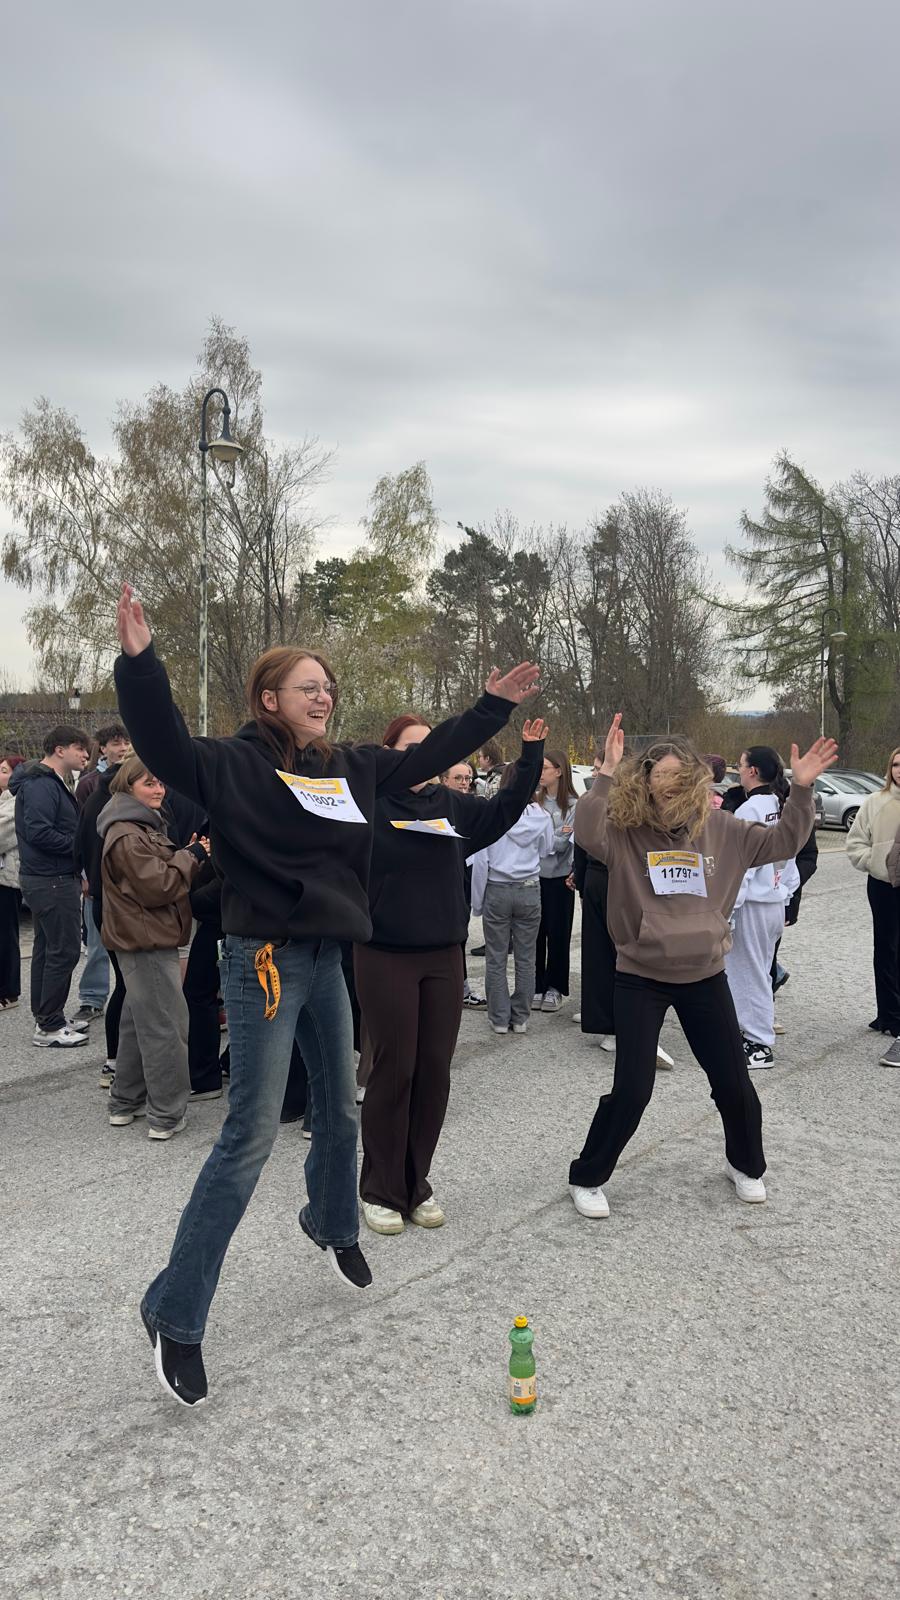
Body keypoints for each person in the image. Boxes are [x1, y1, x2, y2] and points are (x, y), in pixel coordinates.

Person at [115, 582, 538, 1407]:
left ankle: (332, 1223)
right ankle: (174, 1313)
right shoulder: (233, 764)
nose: (325, 695)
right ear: (269, 698)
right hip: (263, 960)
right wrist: (142, 664)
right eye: (309, 686)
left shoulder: (352, 767)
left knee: (342, 1109)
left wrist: (490, 706)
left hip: (328, 957)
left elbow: (426, 752)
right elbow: (161, 740)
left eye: (329, 687)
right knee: (247, 1139)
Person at [567, 714, 836, 1219]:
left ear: (695, 782)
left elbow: (784, 843)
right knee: (633, 1089)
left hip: (704, 974)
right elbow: (585, 832)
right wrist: (603, 775)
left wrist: (801, 790)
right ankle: (587, 1175)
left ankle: (745, 1164)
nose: (667, 786)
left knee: (733, 1082)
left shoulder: (724, 829)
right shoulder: (624, 832)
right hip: (641, 974)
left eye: (677, 776)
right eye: (658, 776)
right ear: (644, 783)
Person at [356, 717, 548, 1236]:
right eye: (410, 748)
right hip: (384, 951)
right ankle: (379, 1187)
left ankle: (416, 1182)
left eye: (430, 748)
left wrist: (531, 755)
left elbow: (507, 810)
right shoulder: (368, 803)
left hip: (443, 954)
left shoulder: (452, 806)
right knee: (394, 1069)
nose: (422, 758)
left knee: (434, 1072)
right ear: (388, 751)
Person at [98, 756, 209, 1139]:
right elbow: (157, 886)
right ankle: (166, 1114)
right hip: (146, 938)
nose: (159, 789)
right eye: (149, 783)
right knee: (166, 1026)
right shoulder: (127, 832)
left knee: (136, 1021)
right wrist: (191, 857)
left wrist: (187, 854)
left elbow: (155, 873)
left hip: (143, 936)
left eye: (160, 782)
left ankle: (125, 1101)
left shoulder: (136, 825)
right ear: (129, 787)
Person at [572, 749, 674, 1069]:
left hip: (614, 877)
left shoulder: (621, 799)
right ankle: (610, 1022)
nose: (595, 769)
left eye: (601, 765)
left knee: (617, 953)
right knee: (611, 953)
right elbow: (584, 838)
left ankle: (616, 1023)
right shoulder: (607, 798)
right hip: (604, 877)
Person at [9, 725, 91, 1048]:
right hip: (52, 880)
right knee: (65, 949)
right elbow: (39, 832)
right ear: (59, 750)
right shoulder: (42, 784)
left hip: (48, 878)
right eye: (79, 748)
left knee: (46, 948)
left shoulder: (46, 782)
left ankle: (46, 1015)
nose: (85, 754)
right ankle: (50, 1026)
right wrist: (79, 846)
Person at [724, 747, 799, 1069]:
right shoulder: (779, 806)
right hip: (773, 900)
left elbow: (741, 867)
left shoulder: (749, 810)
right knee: (759, 970)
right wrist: (784, 894)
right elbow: (791, 859)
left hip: (753, 904)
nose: (738, 771)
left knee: (748, 974)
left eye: (740, 766)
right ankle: (752, 1033)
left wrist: (728, 910)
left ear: (753, 771)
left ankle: (759, 1044)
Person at [470, 769, 555, 1035]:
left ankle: (498, 1017)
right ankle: (520, 1017)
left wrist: (477, 902)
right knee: (526, 957)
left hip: (497, 887)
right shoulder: (542, 816)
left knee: (496, 957)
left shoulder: (492, 815)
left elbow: (481, 861)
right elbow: (547, 849)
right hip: (529, 888)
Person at [72, 730, 131, 1029]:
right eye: (116, 743)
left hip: (126, 887)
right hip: (97, 882)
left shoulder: (139, 785)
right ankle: (92, 999)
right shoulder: (89, 785)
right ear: (103, 749)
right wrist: (84, 876)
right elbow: (81, 836)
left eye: (125, 742)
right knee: (96, 945)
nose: (122, 748)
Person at [74, 761, 128, 1086]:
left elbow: (77, 848)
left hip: (100, 900)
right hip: (116, 905)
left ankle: (115, 1062)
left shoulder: (98, 797)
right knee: (127, 987)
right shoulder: (117, 809)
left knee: (125, 985)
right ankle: (116, 1063)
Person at [847, 747, 900, 1064]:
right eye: (896, 764)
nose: (899, 770)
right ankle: (888, 1014)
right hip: (883, 885)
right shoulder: (875, 802)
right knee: (885, 948)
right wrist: (875, 862)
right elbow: (855, 842)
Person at [533, 750, 577, 1012]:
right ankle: (537, 985)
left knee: (558, 934)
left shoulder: (573, 805)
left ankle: (555, 987)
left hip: (560, 879)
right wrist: (550, 837)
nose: (540, 772)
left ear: (559, 771)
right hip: (534, 877)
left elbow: (562, 844)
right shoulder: (533, 802)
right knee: (535, 935)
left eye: (545, 767)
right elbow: (528, 839)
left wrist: (544, 838)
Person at [442, 760, 485, 1007]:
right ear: (444, 780)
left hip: (465, 875)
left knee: (462, 932)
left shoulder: (472, 806)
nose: (464, 783)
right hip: (441, 880)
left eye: (468, 778)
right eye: (458, 778)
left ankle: (462, 986)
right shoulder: (437, 805)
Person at [0, 754, 26, 1009]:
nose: (1, 775)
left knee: (6, 935)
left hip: (7, 879)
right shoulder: (3, 800)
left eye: (5, 770)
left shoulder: (17, 802)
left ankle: (8, 990)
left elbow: (2, 835)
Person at [75, 723, 131, 808]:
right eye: (116, 744)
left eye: (127, 743)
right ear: (103, 749)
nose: (124, 748)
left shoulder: (140, 776)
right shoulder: (88, 783)